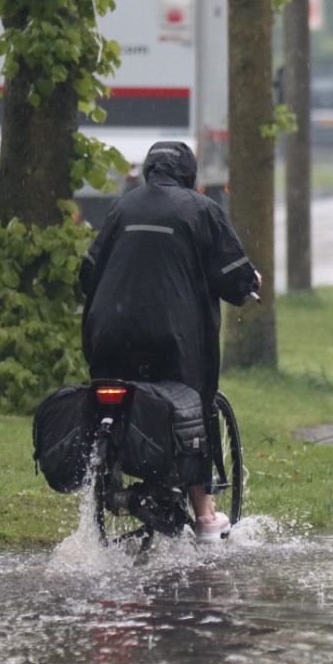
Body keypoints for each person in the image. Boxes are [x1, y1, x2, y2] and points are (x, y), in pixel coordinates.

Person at [79, 140, 262, 541]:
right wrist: (250, 283)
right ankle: (205, 516)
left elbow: (87, 271)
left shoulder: (121, 208)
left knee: (115, 392)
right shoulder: (201, 210)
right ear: (189, 175)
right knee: (194, 405)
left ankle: (109, 477)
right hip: (173, 339)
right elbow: (233, 275)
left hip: (109, 334)